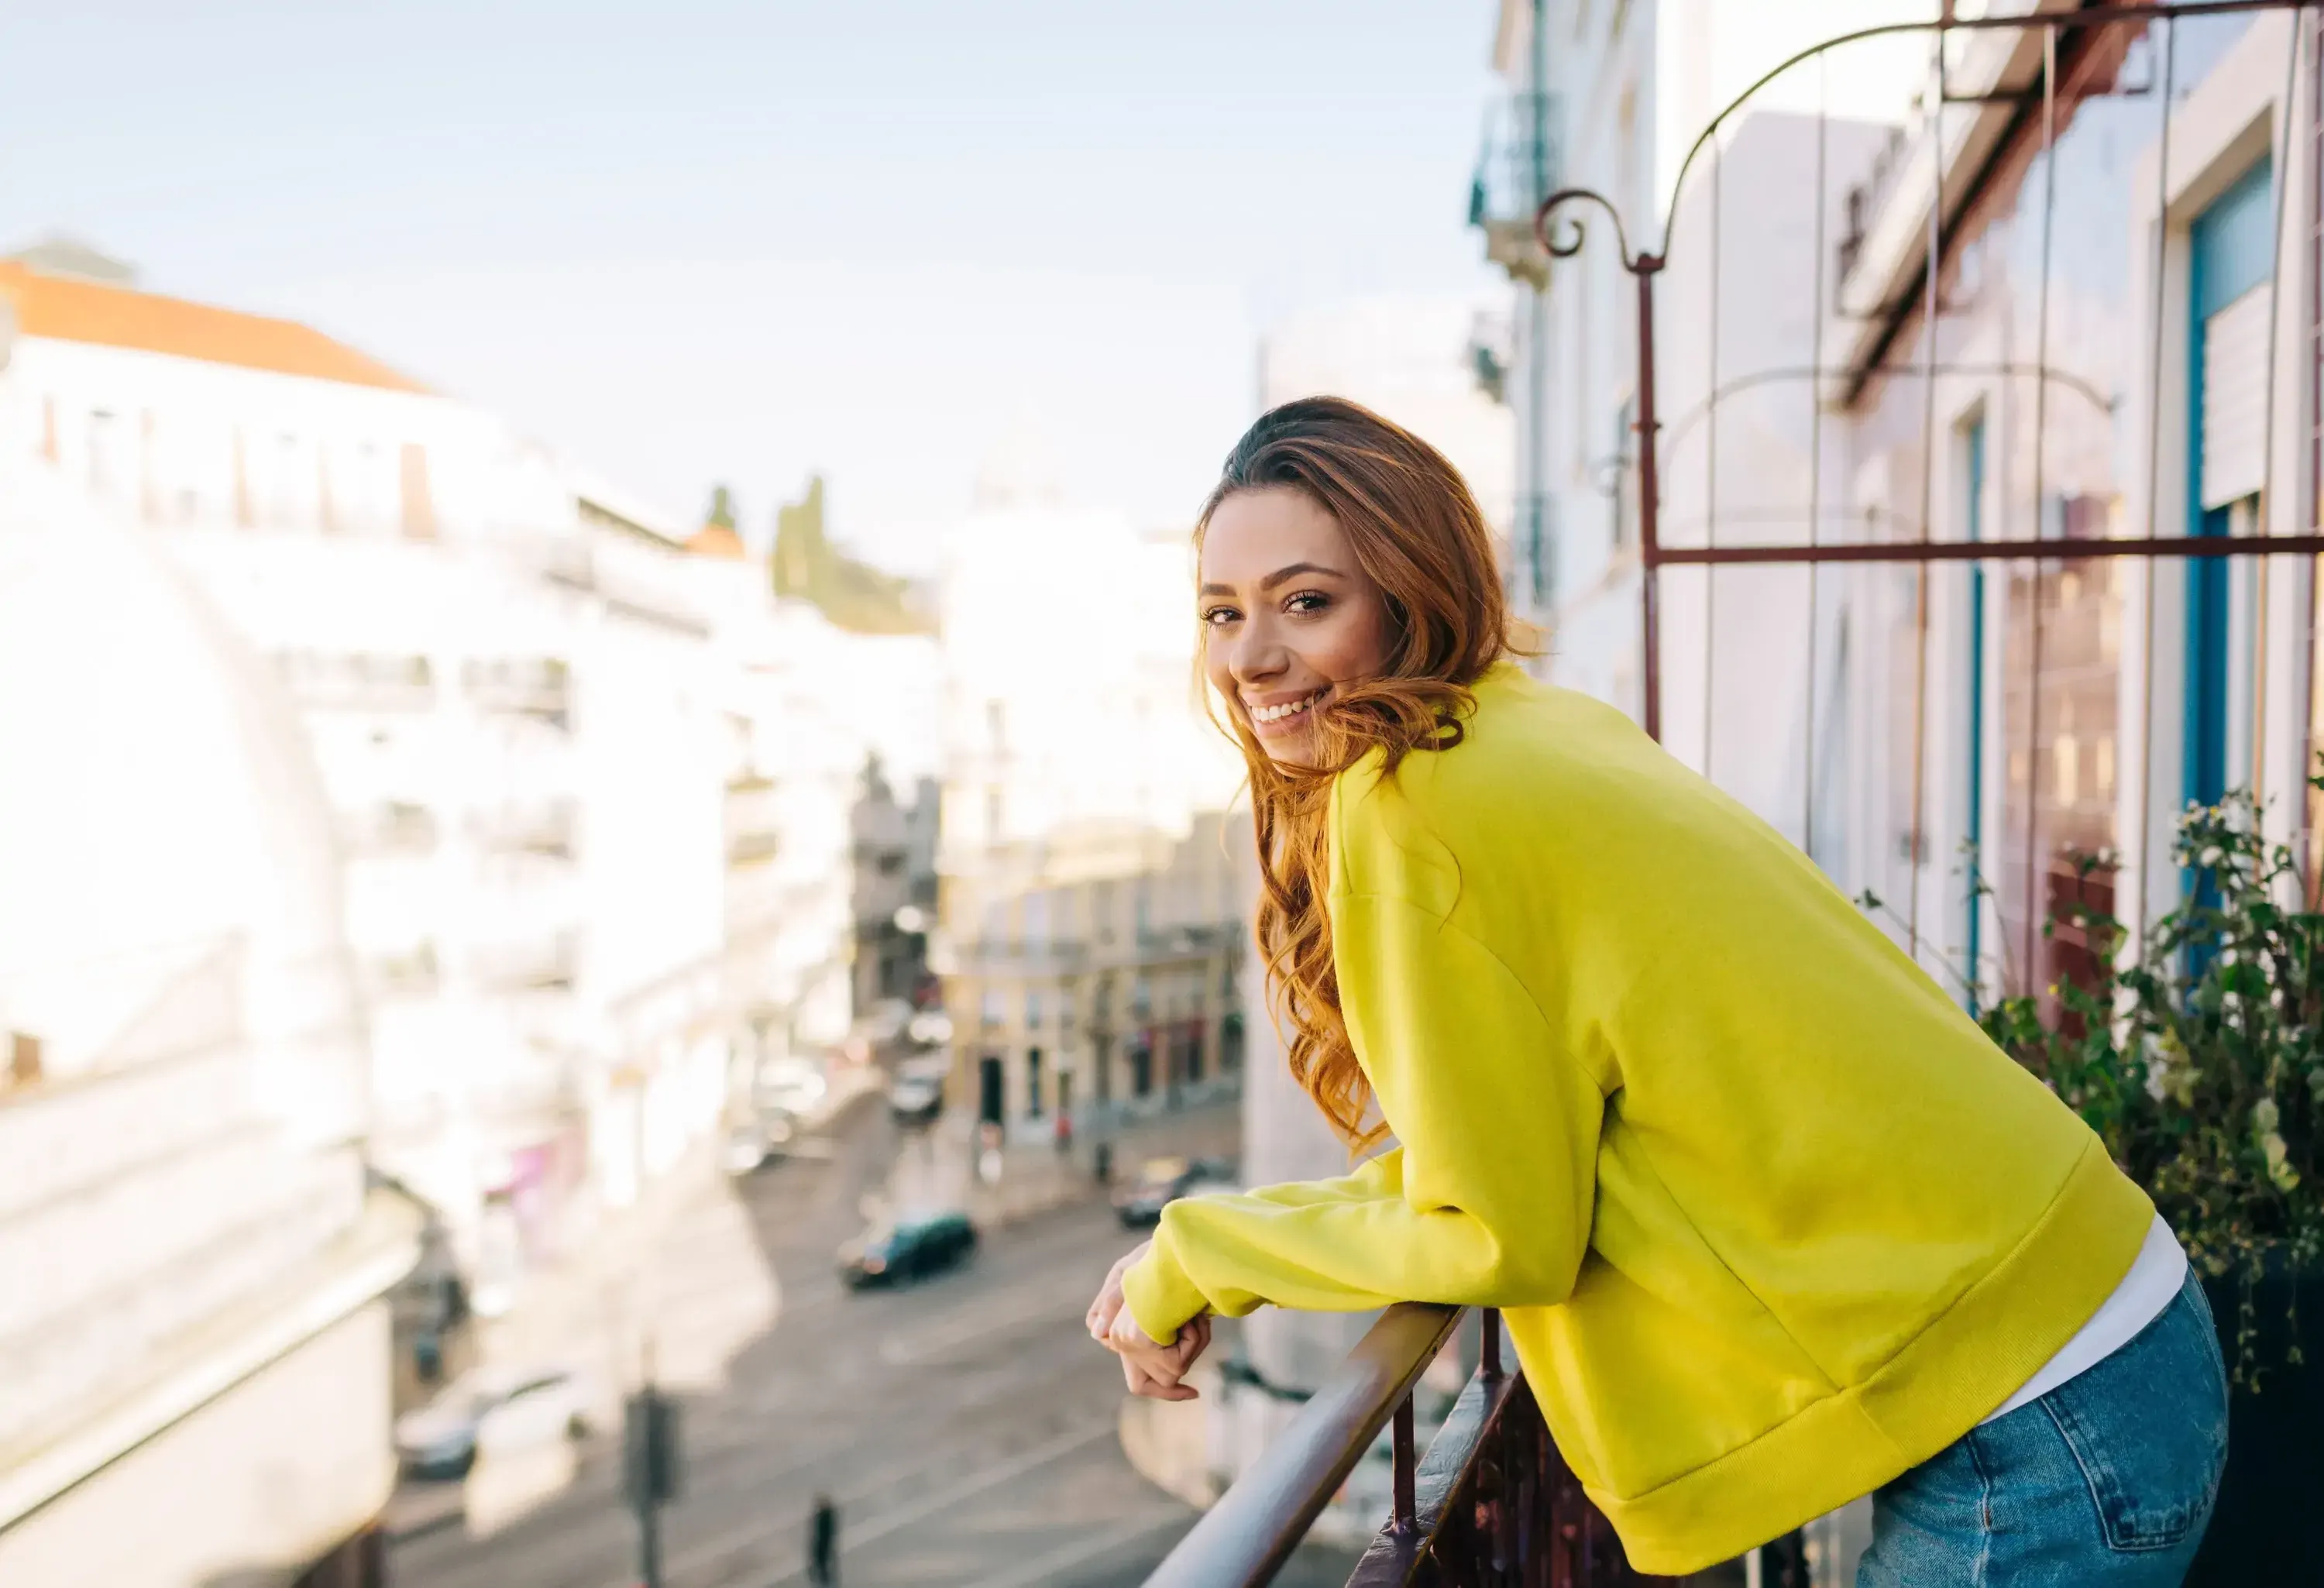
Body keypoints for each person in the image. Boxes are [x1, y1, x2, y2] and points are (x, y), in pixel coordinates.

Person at [1085, 397, 2228, 1583]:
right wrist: (1212, 1240)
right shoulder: (1521, 728)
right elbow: (1519, 1148)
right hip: (2089, 1337)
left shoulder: (1417, 811)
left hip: (2038, 1419)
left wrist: (1200, 1251)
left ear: (1407, 592)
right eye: (1222, 613)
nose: (1251, 655)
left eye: (1306, 601)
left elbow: (1495, 1227)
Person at [807, 1492, 838, 1586]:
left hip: (822, 1540)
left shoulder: (823, 1516)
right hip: (824, 1539)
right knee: (822, 1557)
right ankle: (821, 1573)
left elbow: (819, 1529)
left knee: (820, 1557)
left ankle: (821, 1574)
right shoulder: (827, 1515)